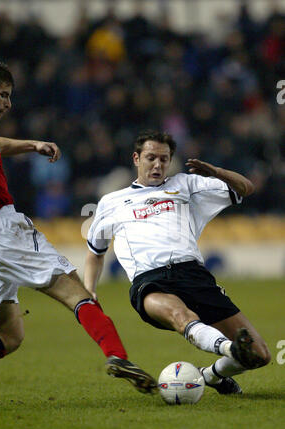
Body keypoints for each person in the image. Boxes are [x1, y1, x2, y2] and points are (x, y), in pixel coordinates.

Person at [0, 59, 157, 394]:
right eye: (3, 94)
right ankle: (117, 355)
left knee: (9, 336)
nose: (8, 102)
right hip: (2, 230)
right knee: (75, 291)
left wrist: (31, 145)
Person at [85, 129, 271, 395]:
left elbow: (246, 188)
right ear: (136, 158)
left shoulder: (185, 184)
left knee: (259, 355)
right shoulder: (111, 202)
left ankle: (211, 376)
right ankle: (230, 348)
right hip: (150, 280)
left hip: (193, 274)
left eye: (164, 159)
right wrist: (89, 290)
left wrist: (215, 171)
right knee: (182, 316)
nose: (158, 165)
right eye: (151, 158)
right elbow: (95, 252)